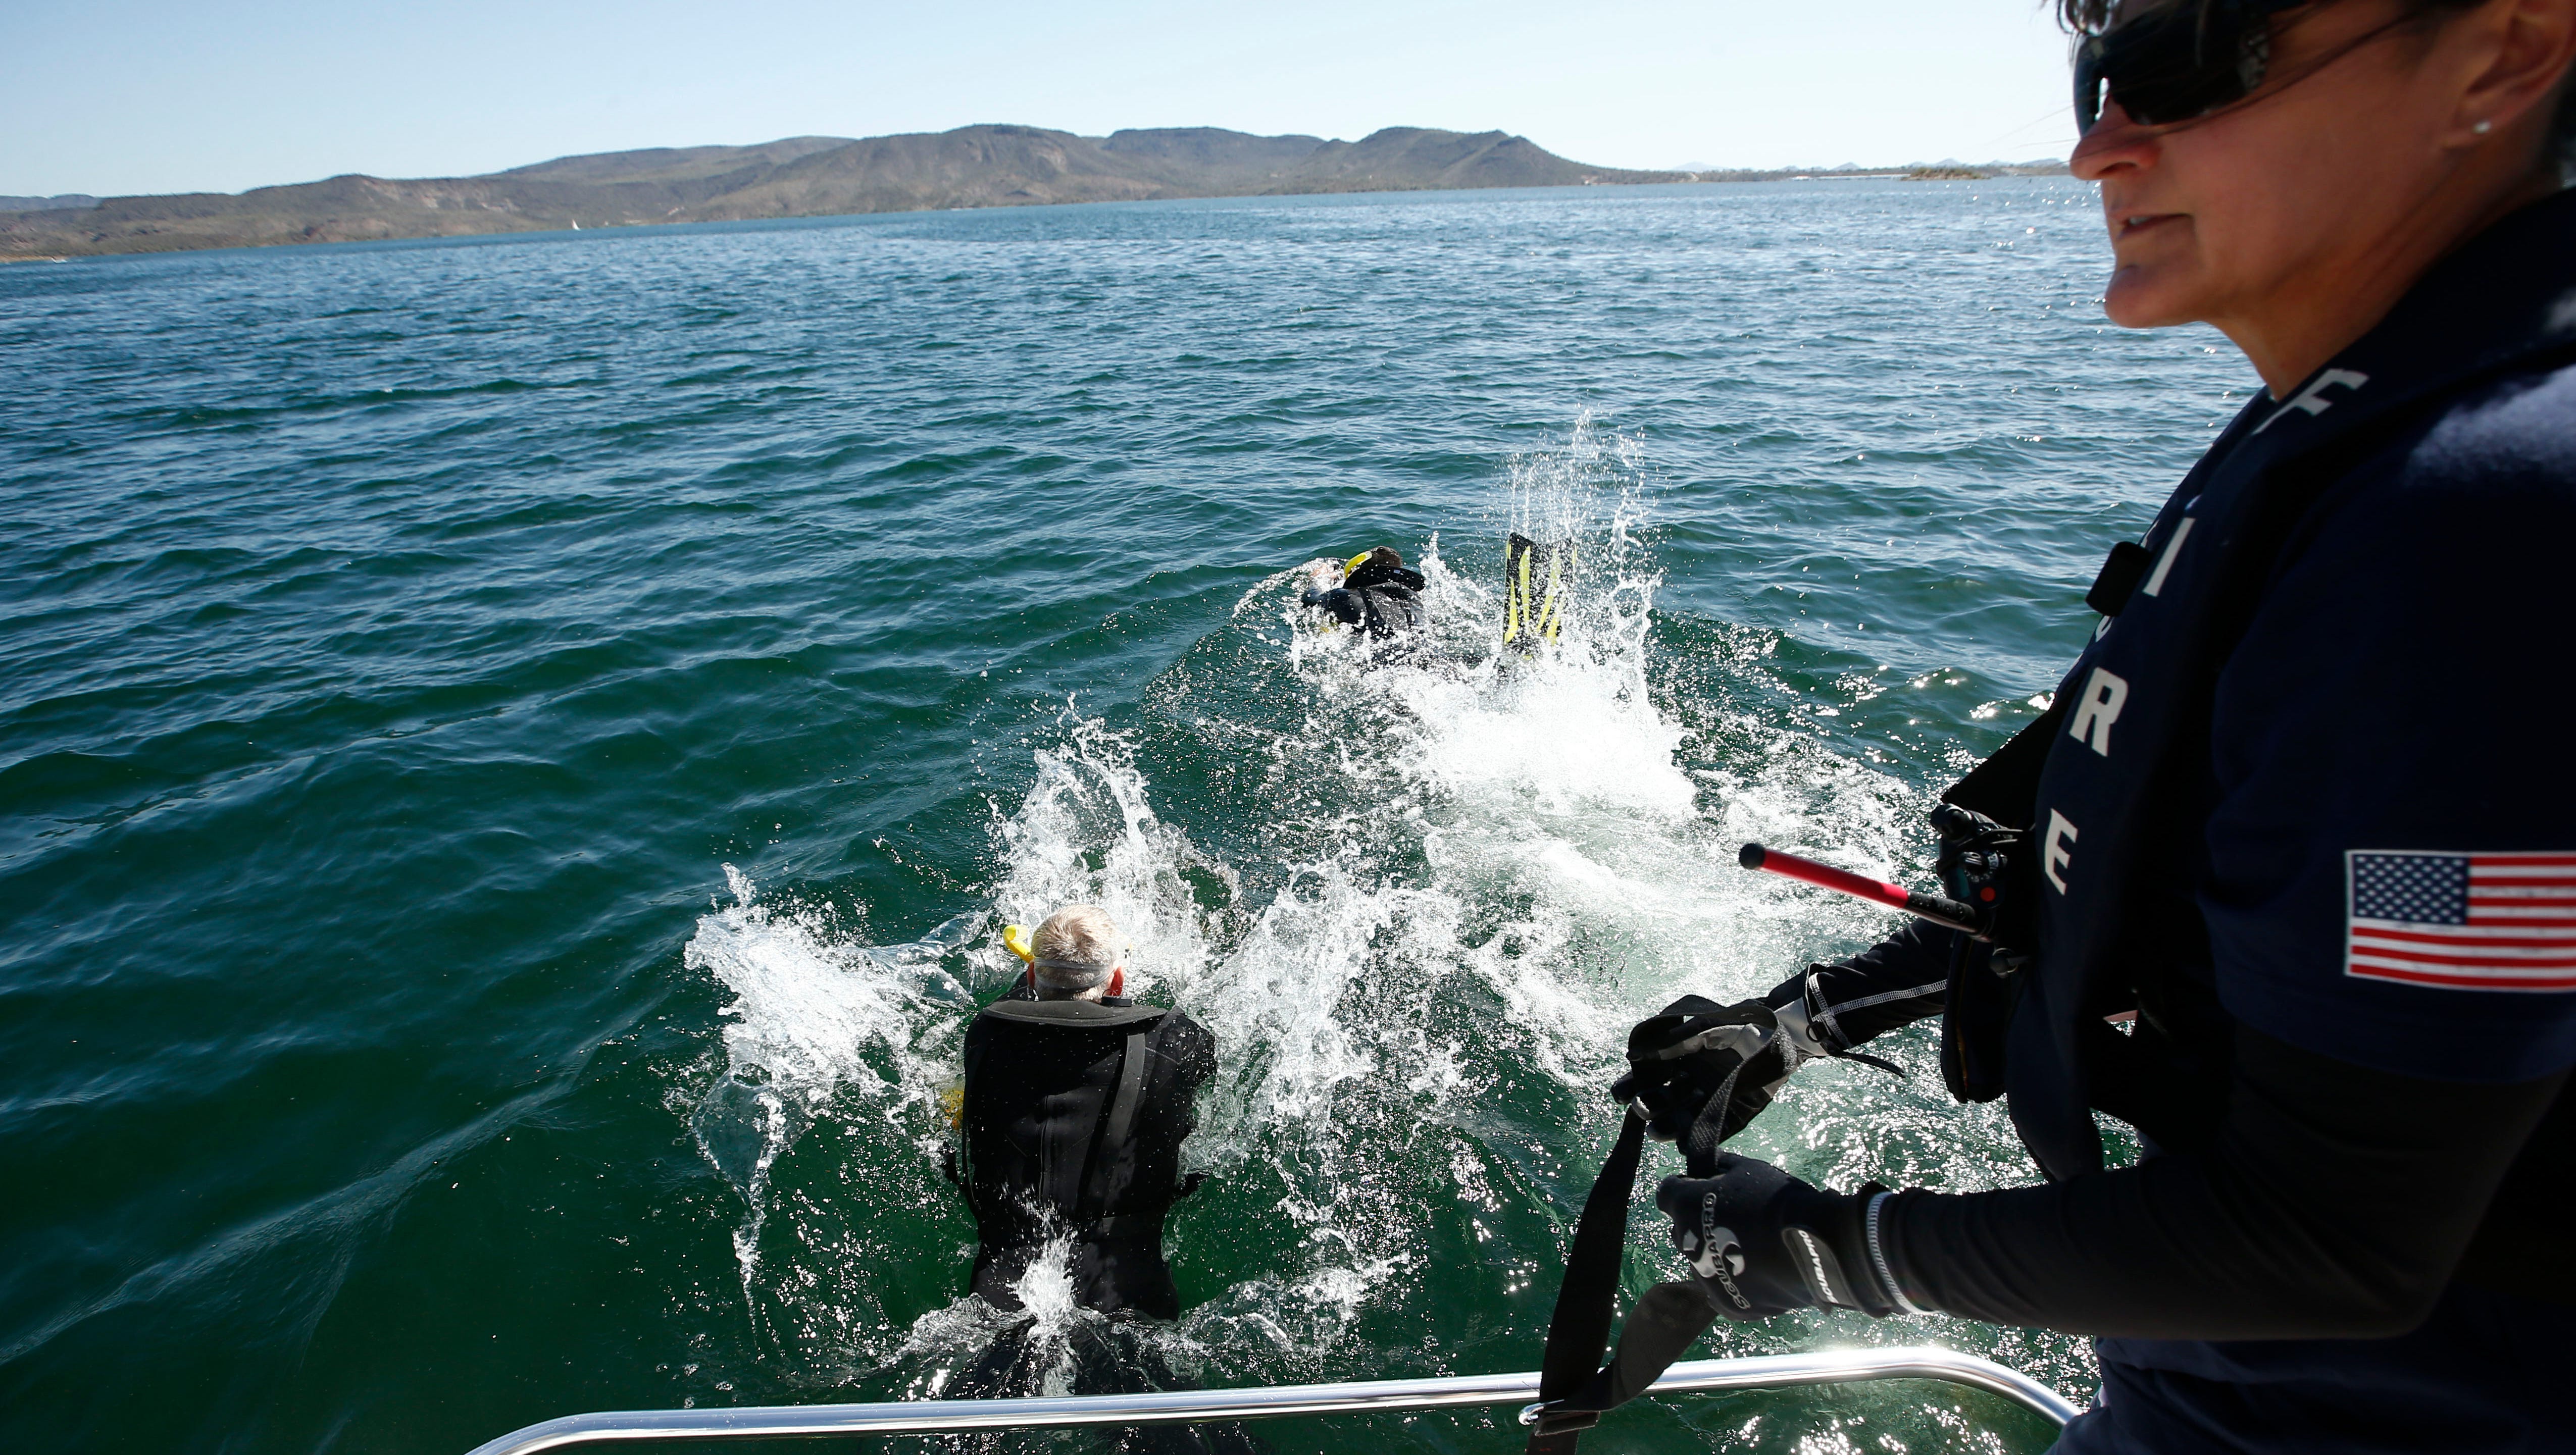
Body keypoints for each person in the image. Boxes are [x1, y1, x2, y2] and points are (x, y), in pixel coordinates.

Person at [1601, 2, 2576, 1451]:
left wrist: (1830, 1248)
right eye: (2095, 73)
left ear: (2501, 49)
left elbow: (2337, 1237)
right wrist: (1803, 1020)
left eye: (2193, 54)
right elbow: (2133, 871)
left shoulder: (2473, 522)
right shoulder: (2370, 432)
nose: (2096, 148)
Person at [954, 905, 1216, 1320]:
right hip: (1125, 1283)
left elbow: (1016, 1005)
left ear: (1030, 977)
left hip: (1004, 1279)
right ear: (1116, 980)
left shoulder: (984, 1034)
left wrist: (1043, 973)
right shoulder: (1175, 1041)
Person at [1299, 546, 1428, 638]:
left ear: (1360, 574)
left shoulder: (1343, 596)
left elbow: (1310, 599)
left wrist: (1316, 579)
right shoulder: (1415, 601)